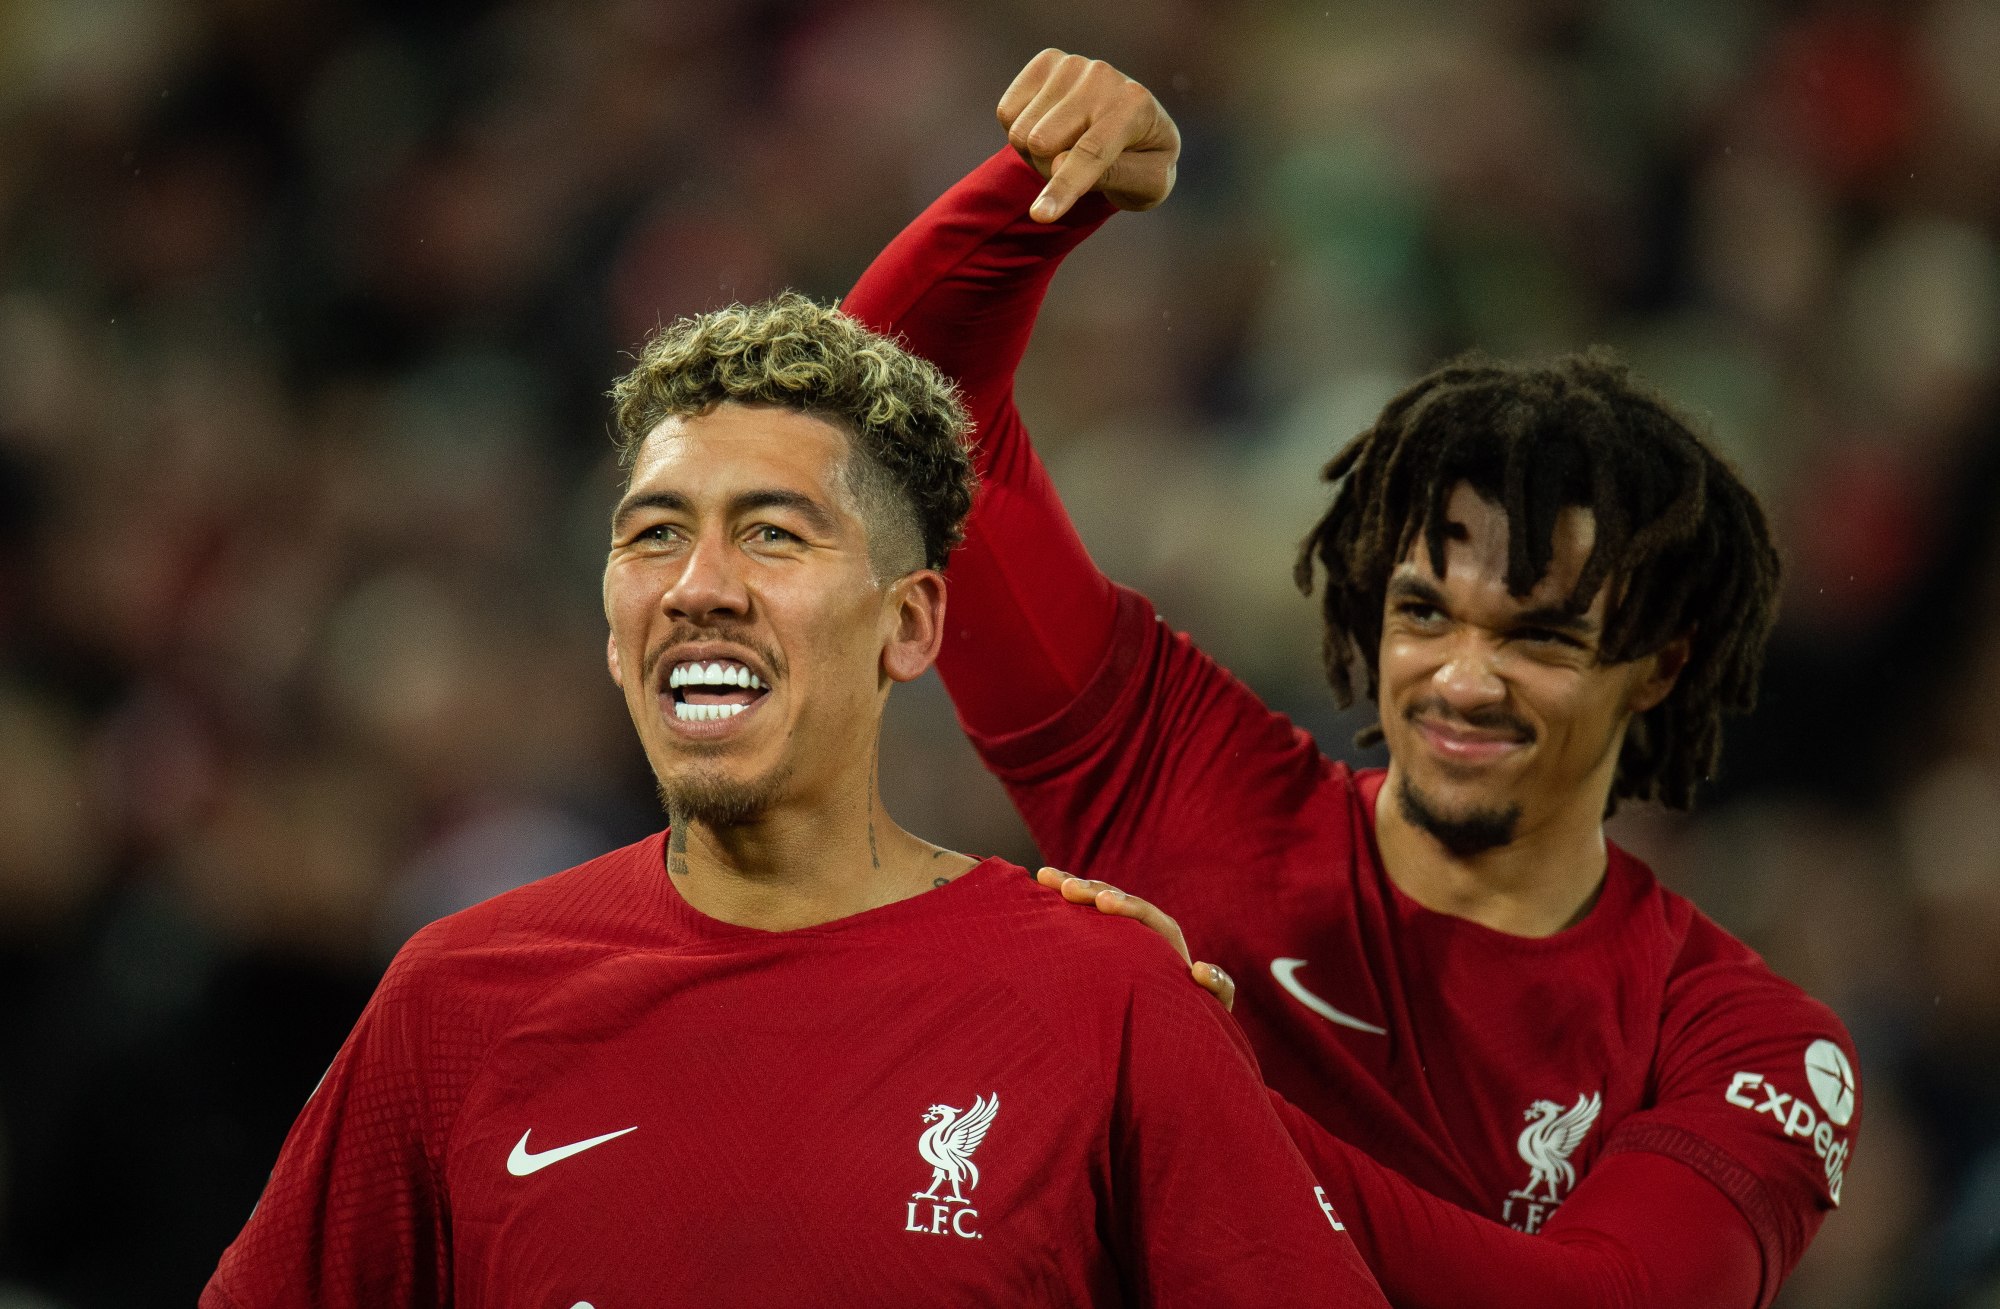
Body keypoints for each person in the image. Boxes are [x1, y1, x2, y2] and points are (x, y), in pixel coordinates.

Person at [841, 48, 1861, 1309]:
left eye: (1539, 637)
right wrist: (1047, 186)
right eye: (1424, 613)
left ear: (1658, 666)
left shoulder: (1743, 1039)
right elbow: (896, 405)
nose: (1462, 679)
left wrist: (1178, 1065)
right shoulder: (1192, 793)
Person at [200, 295, 1388, 1307]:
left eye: (772, 533)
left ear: (909, 622)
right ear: (612, 630)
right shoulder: (454, 1001)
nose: (697, 587)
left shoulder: (1104, 996)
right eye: (654, 534)